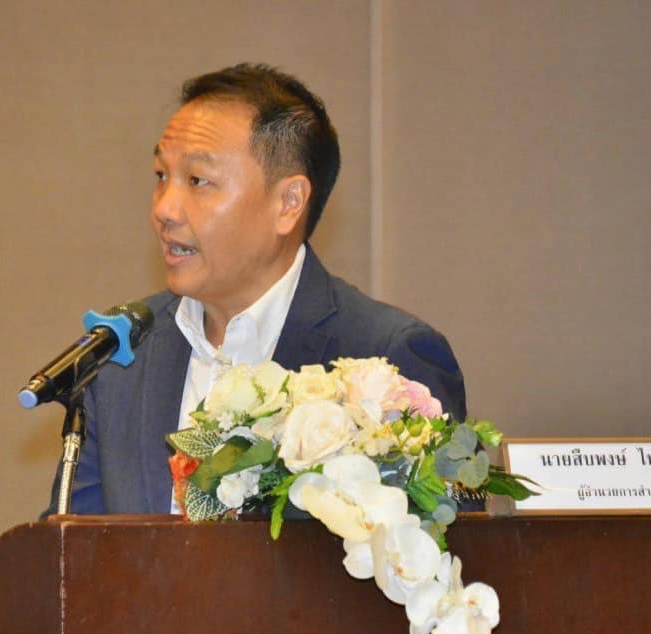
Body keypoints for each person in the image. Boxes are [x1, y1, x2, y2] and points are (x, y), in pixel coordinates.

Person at [44, 63, 465, 516]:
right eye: (161, 176)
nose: (164, 209)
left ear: (288, 203)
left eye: (198, 181)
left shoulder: (386, 360)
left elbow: (434, 549)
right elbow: (73, 550)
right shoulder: (122, 355)